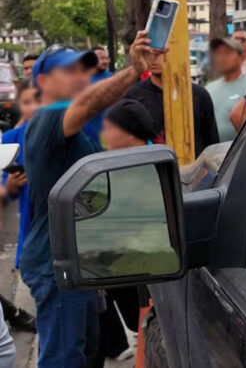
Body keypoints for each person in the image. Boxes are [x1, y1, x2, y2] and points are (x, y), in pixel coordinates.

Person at [22, 32, 163, 367]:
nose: (78, 75)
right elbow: (88, 103)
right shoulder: (49, 118)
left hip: (78, 264)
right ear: (42, 81)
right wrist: (132, 72)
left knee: (88, 352)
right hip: (56, 267)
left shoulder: (73, 131)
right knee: (64, 358)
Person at [95, 99, 158, 365]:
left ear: (129, 132)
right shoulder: (113, 164)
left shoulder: (152, 167)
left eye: (109, 127)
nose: (103, 134)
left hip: (149, 276)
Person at [124, 53, 219, 156]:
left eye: (161, 54)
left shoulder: (198, 95)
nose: (154, 59)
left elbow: (211, 143)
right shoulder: (134, 95)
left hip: (193, 168)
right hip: (152, 168)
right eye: (149, 53)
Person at [0, 83, 38, 334]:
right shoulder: (12, 139)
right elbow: (4, 192)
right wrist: (11, 186)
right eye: (27, 102)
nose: (34, 108)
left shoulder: (71, 137)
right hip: (34, 242)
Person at [206, 37, 246, 142]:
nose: (222, 58)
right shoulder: (209, 88)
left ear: (242, 57)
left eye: (228, 53)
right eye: (218, 53)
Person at [83, 46, 113, 148]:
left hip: (110, 131)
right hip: (88, 135)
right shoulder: (81, 81)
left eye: (106, 58)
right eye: (100, 58)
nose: (104, 61)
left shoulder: (113, 78)